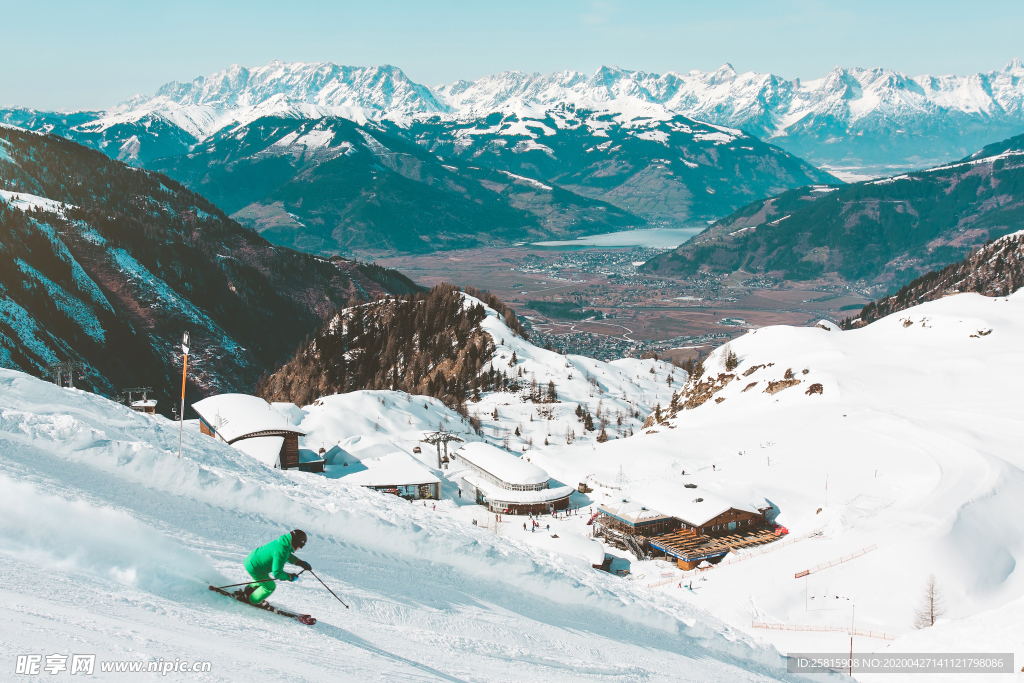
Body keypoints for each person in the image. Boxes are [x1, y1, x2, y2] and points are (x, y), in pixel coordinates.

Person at [241, 530, 311, 606]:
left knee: (263, 580)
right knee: (270, 586)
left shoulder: (282, 543)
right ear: (295, 542)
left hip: (252, 561)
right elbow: (277, 573)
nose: (299, 548)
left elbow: (285, 554)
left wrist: (299, 562)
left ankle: (248, 591)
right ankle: (252, 600)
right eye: (300, 546)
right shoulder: (282, 550)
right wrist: (290, 577)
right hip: (255, 568)